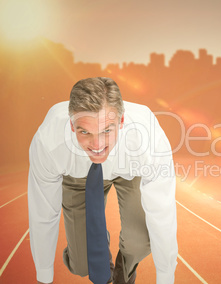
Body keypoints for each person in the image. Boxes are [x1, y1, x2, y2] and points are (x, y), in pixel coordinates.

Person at [28, 77, 178, 284]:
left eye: (107, 130)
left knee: (140, 243)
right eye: (85, 131)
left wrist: (166, 276)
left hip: (130, 171)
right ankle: (97, 240)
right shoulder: (49, 142)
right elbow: (43, 212)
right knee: (83, 264)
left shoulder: (148, 140)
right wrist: (44, 274)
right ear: (72, 126)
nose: (97, 144)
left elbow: (163, 211)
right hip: (78, 176)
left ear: (122, 122)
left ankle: (122, 274)